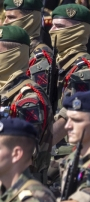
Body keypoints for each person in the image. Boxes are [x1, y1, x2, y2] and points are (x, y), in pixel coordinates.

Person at [0, 25, 52, 184]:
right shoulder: (4, 89)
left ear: (12, 55)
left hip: (18, 186)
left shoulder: (28, 98)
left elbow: (24, 153)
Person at [49, 5, 90, 146]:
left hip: (69, 152)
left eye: (59, 26)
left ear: (77, 31)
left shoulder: (83, 70)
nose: (51, 31)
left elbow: (69, 116)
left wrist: (36, 152)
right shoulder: (62, 63)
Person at [2, 0, 53, 93]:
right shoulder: (12, 51)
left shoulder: (40, 57)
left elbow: (38, 97)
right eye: (6, 17)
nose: (5, 23)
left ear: (29, 20)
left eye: (11, 17)